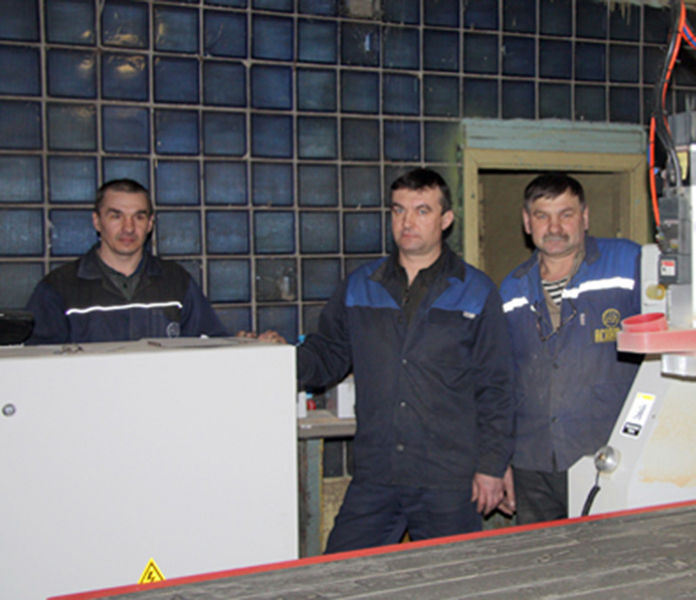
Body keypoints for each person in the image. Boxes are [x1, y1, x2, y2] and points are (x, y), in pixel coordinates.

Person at [297, 168, 514, 553]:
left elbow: (496, 386)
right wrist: (272, 363)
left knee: (450, 578)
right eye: (398, 210)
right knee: (340, 572)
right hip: (377, 473)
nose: (407, 222)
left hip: (448, 479)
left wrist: (491, 466)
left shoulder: (477, 291)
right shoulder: (360, 286)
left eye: (422, 210)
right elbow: (327, 355)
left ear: (446, 220)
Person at [498, 173, 641, 524]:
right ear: (527, 222)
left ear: (585, 217)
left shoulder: (628, 264)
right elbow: (501, 382)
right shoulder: (512, 288)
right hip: (533, 463)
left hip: (607, 456)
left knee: (612, 551)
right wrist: (499, 461)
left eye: (566, 214)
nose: (554, 227)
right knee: (544, 554)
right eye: (542, 216)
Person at [25, 178, 226, 344]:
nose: (128, 228)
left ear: (150, 224)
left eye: (138, 217)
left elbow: (210, 348)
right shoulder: (58, 289)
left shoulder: (177, 282)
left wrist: (237, 344)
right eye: (116, 216)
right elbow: (36, 366)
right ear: (97, 221)